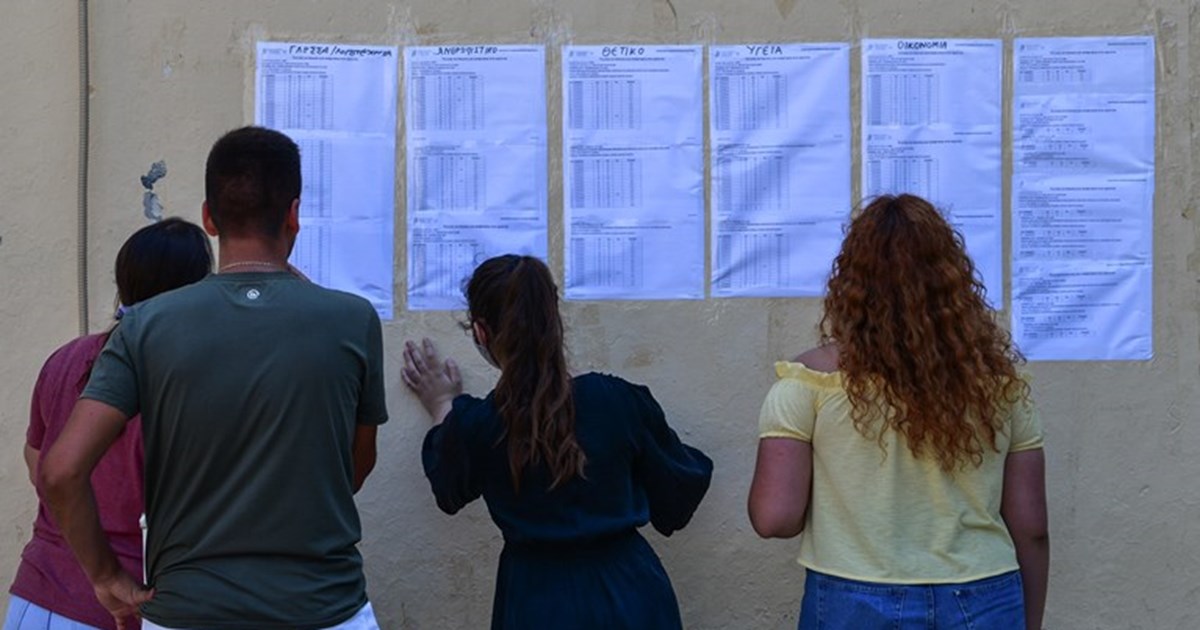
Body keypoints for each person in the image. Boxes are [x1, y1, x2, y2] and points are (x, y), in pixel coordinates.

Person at [39, 126, 388, 630]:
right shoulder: (352, 321)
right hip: (324, 608)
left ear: (208, 217)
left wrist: (105, 577)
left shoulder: (146, 325)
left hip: (186, 609)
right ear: (294, 214)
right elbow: (355, 466)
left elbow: (60, 471)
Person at [748, 194, 1049, 629]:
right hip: (983, 596)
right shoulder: (1001, 389)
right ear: (952, 280)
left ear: (850, 282)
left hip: (853, 598)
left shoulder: (806, 386)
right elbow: (1032, 528)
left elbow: (774, 518)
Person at [402, 254, 713, 630]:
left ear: (481, 332)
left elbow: (448, 487)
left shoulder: (478, 425)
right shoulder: (618, 401)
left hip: (534, 602)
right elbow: (677, 497)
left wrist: (441, 406)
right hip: (631, 595)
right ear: (554, 318)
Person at [5, 218, 212, 630]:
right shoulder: (186, 386)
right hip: (122, 604)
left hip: (36, 599)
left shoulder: (66, 359)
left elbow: (38, 462)